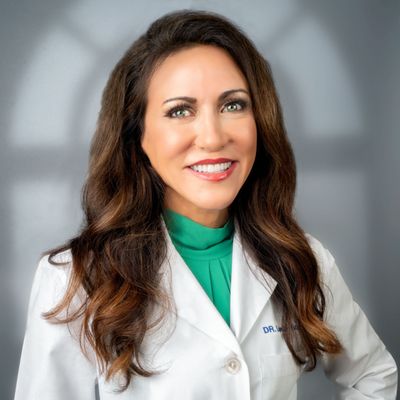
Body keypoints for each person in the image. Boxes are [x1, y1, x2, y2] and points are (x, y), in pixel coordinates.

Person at [14, 9, 397, 400]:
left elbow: (373, 376)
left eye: (233, 105)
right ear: (138, 136)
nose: (213, 138)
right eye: (180, 111)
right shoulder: (74, 280)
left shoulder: (302, 260)